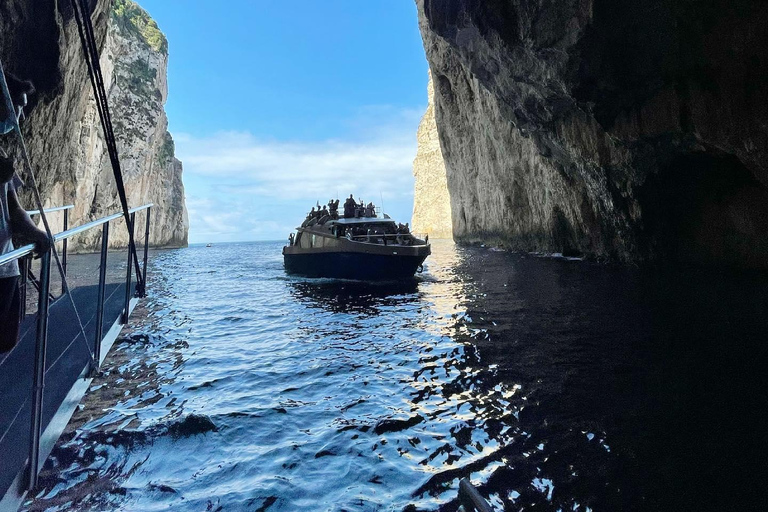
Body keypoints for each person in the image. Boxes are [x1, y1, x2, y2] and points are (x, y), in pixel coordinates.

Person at [1, 82, 51, 352]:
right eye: (16, 107)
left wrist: (36, 234)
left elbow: (13, 208)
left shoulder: (1, 154)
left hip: (6, 267)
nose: (19, 116)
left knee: (7, 342)